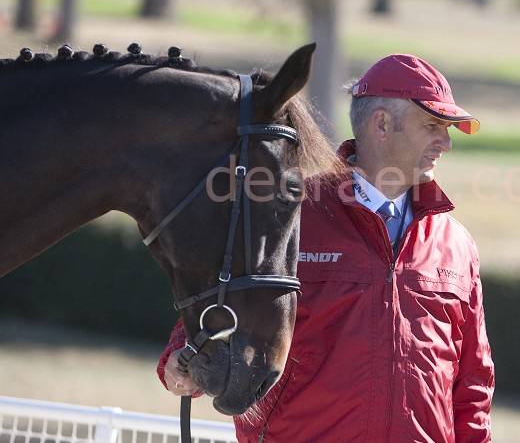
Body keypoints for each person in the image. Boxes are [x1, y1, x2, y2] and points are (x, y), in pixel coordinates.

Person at [157, 54, 494, 442]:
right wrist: (181, 358)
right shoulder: (290, 215)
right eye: (433, 125)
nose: (446, 143)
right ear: (381, 124)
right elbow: (215, 314)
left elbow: (472, 386)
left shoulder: (456, 244)